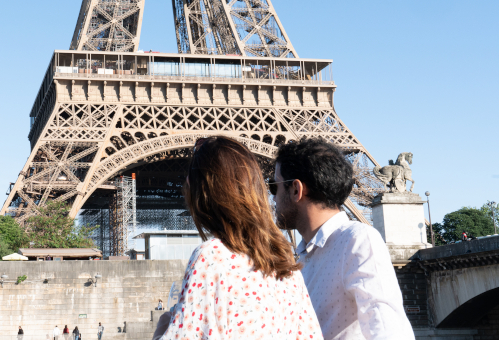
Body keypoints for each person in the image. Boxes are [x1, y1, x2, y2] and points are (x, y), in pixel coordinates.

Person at [153, 136, 322, 340]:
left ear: (204, 194)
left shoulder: (212, 257)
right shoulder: (286, 265)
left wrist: (161, 330)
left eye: (190, 181)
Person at [272, 137, 415, 339]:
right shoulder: (303, 258)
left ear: (296, 190)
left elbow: (387, 330)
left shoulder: (357, 240)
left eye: (274, 186)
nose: (273, 198)